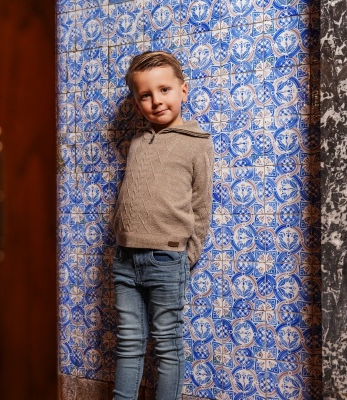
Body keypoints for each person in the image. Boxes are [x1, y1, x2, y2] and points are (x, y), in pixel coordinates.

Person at [112, 50, 214, 400]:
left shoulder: (197, 143)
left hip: (167, 259)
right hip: (125, 258)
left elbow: (201, 204)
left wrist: (186, 257)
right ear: (136, 102)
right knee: (128, 342)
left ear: (183, 90)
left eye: (165, 90)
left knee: (168, 344)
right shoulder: (137, 143)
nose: (156, 101)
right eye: (145, 95)